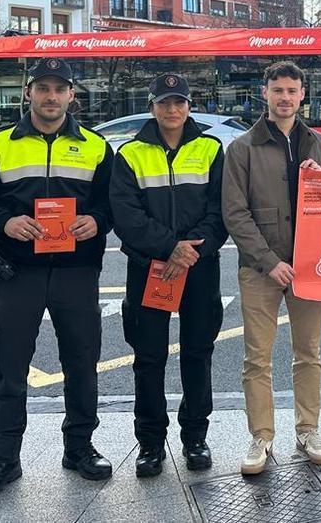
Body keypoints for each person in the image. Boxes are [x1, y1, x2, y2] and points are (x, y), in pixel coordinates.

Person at [0, 58, 114, 503]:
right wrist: (4, 223)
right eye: (42, 88)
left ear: (71, 96)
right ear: (28, 94)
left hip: (77, 272)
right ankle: (4, 460)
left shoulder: (97, 147)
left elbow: (112, 204)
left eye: (59, 89)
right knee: (7, 369)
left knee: (82, 365)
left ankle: (79, 449)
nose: (50, 96)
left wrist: (96, 223)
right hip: (16, 271)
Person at [222, 60, 321, 475]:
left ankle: (308, 430)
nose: (285, 98)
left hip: (311, 268)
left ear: (302, 95)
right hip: (260, 270)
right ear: (265, 94)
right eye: (278, 91)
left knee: (309, 354)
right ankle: (261, 437)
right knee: (258, 358)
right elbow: (235, 214)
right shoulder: (241, 148)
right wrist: (270, 262)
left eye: (292, 91)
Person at [110, 74, 227, 477]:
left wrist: (192, 250)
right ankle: (150, 443)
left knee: (198, 354)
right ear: (152, 106)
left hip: (198, 269)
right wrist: (168, 248)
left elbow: (220, 211)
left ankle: (195, 437)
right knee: (148, 358)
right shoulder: (130, 153)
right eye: (164, 103)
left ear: (189, 106)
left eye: (179, 102)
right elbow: (126, 216)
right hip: (149, 269)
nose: (172, 110)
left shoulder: (211, 149)